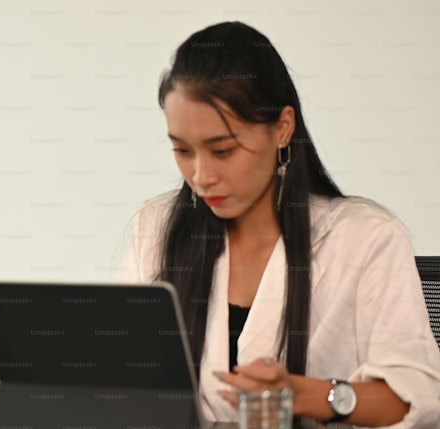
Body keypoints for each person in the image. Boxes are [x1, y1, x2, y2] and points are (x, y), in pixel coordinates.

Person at [117, 22, 440, 427]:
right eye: (182, 150)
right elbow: (126, 382)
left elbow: (419, 399)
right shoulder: (156, 228)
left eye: (222, 150)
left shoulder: (365, 238)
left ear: (282, 128)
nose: (200, 175)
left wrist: (309, 394)